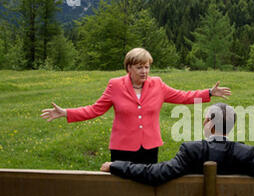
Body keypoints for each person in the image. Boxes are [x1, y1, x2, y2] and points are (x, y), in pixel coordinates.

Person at [40, 48, 231, 164]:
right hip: (122, 147)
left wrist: (209, 93)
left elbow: (182, 96)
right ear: (129, 68)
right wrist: (66, 113)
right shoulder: (115, 85)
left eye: (147, 66)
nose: (144, 71)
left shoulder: (157, 84)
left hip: (149, 147)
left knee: (146, 186)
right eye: (139, 67)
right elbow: (95, 109)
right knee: (122, 188)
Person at [100, 103, 254, 187]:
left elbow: (154, 174)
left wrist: (116, 165)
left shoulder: (191, 151)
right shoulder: (246, 154)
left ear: (209, 124)